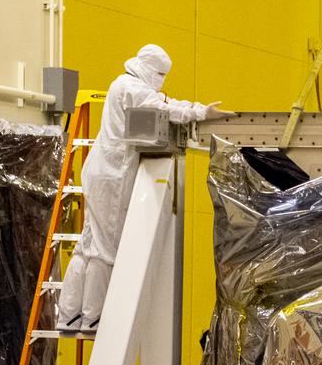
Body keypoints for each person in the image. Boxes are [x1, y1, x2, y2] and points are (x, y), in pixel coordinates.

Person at [57, 44, 231, 331]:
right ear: (149, 68)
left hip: (99, 170)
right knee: (105, 248)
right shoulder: (133, 89)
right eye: (160, 73)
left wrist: (191, 107)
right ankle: (92, 317)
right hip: (114, 175)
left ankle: (69, 314)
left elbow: (162, 99)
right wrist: (202, 112)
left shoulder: (122, 84)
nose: (162, 79)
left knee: (87, 245)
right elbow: (164, 107)